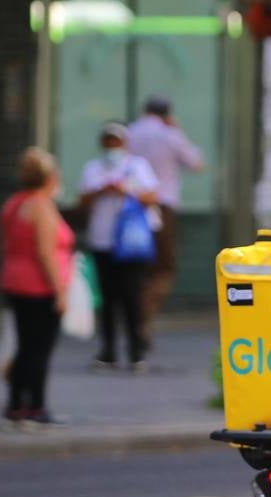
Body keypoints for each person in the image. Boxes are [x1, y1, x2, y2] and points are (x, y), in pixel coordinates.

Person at [0, 147, 74, 427]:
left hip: (14, 281)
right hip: (38, 287)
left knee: (24, 346)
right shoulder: (41, 206)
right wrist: (60, 291)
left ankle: (16, 403)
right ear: (50, 178)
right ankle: (36, 406)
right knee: (39, 349)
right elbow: (46, 252)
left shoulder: (13, 203)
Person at [79, 122, 159, 373]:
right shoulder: (93, 169)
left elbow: (152, 197)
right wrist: (103, 190)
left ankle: (136, 352)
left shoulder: (137, 167)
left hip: (130, 244)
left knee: (132, 298)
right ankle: (108, 351)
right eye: (108, 142)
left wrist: (128, 189)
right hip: (102, 241)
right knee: (107, 298)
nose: (112, 147)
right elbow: (82, 200)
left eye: (116, 142)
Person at [126, 96, 204, 352]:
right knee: (164, 268)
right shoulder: (170, 135)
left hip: (130, 208)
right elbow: (196, 163)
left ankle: (134, 315)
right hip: (162, 205)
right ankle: (144, 316)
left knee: (136, 268)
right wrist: (176, 130)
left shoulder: (131, 133)